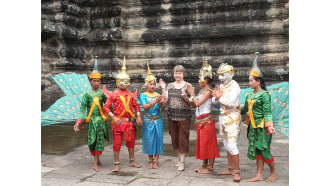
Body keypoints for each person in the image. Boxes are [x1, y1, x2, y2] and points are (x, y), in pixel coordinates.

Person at [241, 52, 277, 182]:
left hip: (263, 127)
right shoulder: (249, 95)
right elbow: (244, 109)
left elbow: (267, 112)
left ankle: (273, 172)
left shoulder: (265, 95)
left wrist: (270, 126)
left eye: (251, 80)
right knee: (257, 150)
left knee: (264, 150)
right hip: (252, 126)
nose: (249, 82)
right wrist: (232, 108)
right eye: (249, 80)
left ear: (258, 81)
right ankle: (259, 175)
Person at [103, 57, 143, 172]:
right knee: (117, 143)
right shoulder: (114, 94)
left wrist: (139, 116)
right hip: (117, 122)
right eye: (122, 81)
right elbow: (105, 107)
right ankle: (116, 164)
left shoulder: (130, 94)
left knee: (131, 142)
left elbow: (136, 106)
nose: (125, 83)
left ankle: (132, 161)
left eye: (126, 81)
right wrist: (113, 116)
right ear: (117, 82)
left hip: (129, 122)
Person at [73, 56, 109, 172]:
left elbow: (108, 106)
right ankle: (96, 158)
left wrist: (111, 102)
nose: (97, 83)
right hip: (91, 121)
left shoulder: (102, 93)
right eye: (94, 80)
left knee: (99, 140)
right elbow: (83, 109)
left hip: (100, 120)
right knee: (91, 141)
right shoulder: (87, 94)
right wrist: (78, 121)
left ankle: (95, 163)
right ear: (90, 81)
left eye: (98, 81)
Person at [185, 58, 220, 174]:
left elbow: (198, 103)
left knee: (209, 144)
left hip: (206, 121)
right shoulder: (201, 91)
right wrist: (188, 97)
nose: (198, 80)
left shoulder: (209, 91)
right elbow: (195, 105)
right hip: (200, 120)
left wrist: (192, 94)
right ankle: (204, 165)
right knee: (203, 144)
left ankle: (210, 168)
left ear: (205, 79)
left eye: (199, 77)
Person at [211, 62, 242, 182]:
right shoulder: (222, 85)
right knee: (226, 144)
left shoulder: (234, 86)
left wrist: (219, 98)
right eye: (219, 75)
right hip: (223, 117)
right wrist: (216, 97)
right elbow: (214, 101)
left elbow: (231, 103)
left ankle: (237, 172)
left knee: (232, 145)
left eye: (223, 75)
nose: (220, 78)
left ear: (230, 74)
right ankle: (230, 168)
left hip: (232, 117)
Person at [159, 65, 192, 171]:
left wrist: (185, 97)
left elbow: (192, 102)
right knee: (174, 138)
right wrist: (163, 88)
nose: (177, 75)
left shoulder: (188, 86)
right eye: (175, 73)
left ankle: (182, 161)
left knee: (183, 138)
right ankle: (179, 159)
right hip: (172, 115)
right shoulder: (170, 86)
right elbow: (166, 100)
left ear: (183, 74)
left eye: (179, 73)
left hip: (184, 116)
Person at [139, 60, 166, 169]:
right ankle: (150, 160)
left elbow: (162, 108)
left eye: (154, 84)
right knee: (149, 140)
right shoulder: (143, 95)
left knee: (158, 139)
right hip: (148, 119)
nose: (153, 86)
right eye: (151, 84)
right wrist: (155, 101)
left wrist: (161, 103)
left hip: (157, 119)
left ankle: (156, 160)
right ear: (146, 85)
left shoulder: (158, 94)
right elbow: (145, 107)